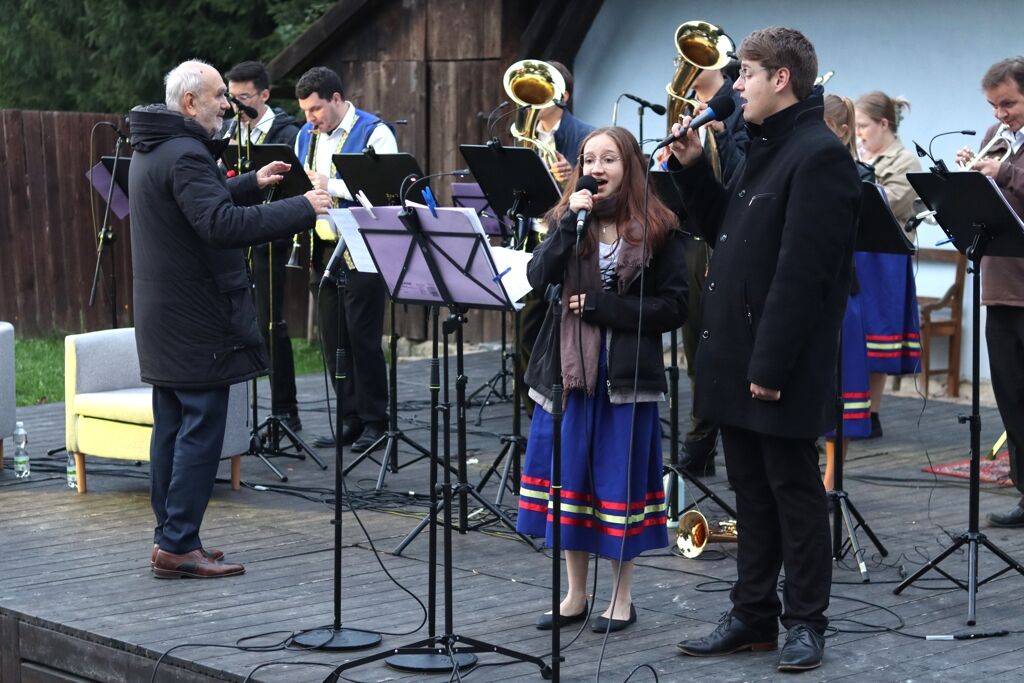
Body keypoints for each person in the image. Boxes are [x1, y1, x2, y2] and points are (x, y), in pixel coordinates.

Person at [669, 28, 861, 671]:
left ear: (781, 78)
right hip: (733, 351)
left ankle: (805, 620)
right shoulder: (762, 147)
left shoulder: (818, 155)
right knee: (750, 492)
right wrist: (693, 168)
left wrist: (771, 367)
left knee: (793, 491)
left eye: (745, 73)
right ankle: (753, 615)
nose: (734, 86)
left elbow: (805, 274)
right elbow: (724, 229)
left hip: (776, 360)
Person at [129, 60, 334, 578]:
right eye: (220, 96)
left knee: (171, 430)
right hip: (198, 321)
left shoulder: (153, 147)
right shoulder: (186, 156)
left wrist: (251, 182)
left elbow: (196, 208)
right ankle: (178, 544)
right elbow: (218, 225)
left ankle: (172, 538)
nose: (228, 104)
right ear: (191, 103)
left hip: (166, 320)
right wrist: (303, 207)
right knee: (199, 432)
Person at [517, 126, 687, 634]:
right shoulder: (568, 219)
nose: (597, 167)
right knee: (570, 483)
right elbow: (537, 277)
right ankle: (574, 594)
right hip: (568, 376)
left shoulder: (658, 227)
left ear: (628, 166)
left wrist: (604, 308)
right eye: (589, 158)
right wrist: (570, 222)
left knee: (618, 484)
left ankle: (621, 597)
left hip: (625, 380)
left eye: (609, 158)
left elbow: (674, 306)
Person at [293, 66, 396, 452]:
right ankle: (350, 417)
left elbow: (386, 188)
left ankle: (376, 421)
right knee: (333, 337)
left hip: (364, 248)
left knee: (362, 337)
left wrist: (329, 185)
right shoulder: (306, 135)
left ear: (337, 99)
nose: (309, 118)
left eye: (316, 109)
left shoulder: (374, 132)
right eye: (305, 110)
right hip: (323, 248)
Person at [956, 58, 1024, 528]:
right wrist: (968, 178)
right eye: (994, 105)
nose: (1000, 114)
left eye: (1009, 103)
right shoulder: (993, 138)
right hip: (1000, 286)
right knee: (1012, 400)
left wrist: (1002, 172)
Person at [672, 63, 748, 477]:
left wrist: (720, 137)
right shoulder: (689, 106)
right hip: (693, 232)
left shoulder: (736, 108)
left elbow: (740, 175)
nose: (683, 66)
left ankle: (701, 440)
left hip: (726, 237)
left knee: (718, 345)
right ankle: (702, 440)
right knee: (694, 341)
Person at [223, 60, 302, 432]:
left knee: (271, 322)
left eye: (243, 98)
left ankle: (284, 409)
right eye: (230, 97)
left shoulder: (287, 133)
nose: (235, 106)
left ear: (264, 95)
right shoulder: (229, 132)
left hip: (271, 235)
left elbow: (295, 185)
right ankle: (238, 413)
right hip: (237, 235)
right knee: (239, 321)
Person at [517, 61, 596, 416]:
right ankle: (534, 408)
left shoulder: (584, 135)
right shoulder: (523, 135)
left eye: (545, 89)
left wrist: (570, 178)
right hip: (532, 238)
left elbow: (595, 191)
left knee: (555, 327)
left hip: (568, 242)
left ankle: (564, 405)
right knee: (526, 329)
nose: (535, 97)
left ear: (563, 96)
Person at [854, 91, 923, 437]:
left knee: (877, 333)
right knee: (856, 331)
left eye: (864, 126)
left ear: (884, 124)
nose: (860, 134)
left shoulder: (905, 160)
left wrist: (861, 179)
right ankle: (854, 406)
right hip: (858, 253)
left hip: (885, 258)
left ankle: (872, 411)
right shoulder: (858, 156)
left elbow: (893, 202)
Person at [822, 94, 876, 490]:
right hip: (807, 289)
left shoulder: (862, 175)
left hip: (842, 290)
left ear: (842, 132)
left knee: (837, 388)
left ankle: (831, 477)